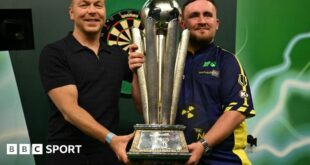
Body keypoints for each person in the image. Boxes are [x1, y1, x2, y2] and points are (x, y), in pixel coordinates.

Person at [128, 0, 256, 164]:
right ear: (182, 23)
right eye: (194, 16)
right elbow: (143, 108)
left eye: (207, 15)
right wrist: (138, 71)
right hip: (175, 159)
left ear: (216, 24)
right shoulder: (166, 62)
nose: (202, 21)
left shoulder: (227, 61)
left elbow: (237, 111)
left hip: (223, 160)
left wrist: (203, 145)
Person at [39, 0, 139, 164]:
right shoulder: (55, 53)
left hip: (109, 153)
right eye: (84, 5)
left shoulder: (118, 55)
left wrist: (137, 72)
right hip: (69, 153)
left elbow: (141, 106)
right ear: (71, 13)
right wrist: (111, 138)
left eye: (98, 5)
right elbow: (70, 110)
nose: (92, 11)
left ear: (104, 12)